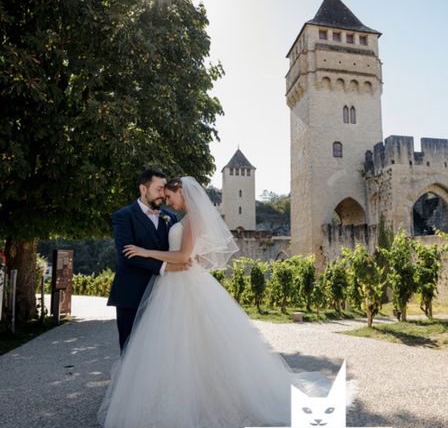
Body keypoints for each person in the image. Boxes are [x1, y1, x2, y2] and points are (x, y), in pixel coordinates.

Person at [98, 176, 343, 428]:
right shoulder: (158, 217)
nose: (167, 201)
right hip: (163, 285)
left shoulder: (184, 218)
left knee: (183, 346)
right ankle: (150, 397)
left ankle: (188, 402)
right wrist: (185, 258)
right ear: (143, 187)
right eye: (161, 192)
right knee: (166, 346)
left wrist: (148, 251)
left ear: (180, 191)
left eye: (168, 194)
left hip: (180, 285)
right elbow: (181, 252)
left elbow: (182, 254)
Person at [107, 169, 186, 352]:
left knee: (159, 352)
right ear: (143, 188)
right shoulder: (123, 216)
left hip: (163, 296)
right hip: (131, 295)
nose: (162, 195)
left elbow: (177, 249)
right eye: (158, 189)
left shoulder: (171, 218)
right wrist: (166, 267)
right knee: (130, 350)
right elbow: (127, 255)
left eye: (164, 190)